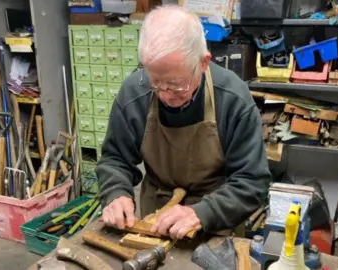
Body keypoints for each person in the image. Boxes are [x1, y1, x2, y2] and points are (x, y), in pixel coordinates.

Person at [97, 5, 271, 239]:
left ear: (203, 62)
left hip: (217, 222)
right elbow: (115, 159)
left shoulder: (233, 98)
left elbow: (252, 182)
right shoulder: (133, 92)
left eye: (176, 85)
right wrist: (116, 192)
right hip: (156, 219)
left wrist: (203, 212)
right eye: (156, 83)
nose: (166, 95)